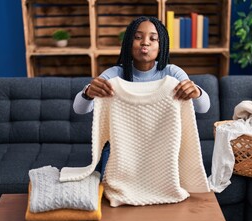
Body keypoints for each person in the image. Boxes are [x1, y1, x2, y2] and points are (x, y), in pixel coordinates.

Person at [73, 16, 211, 176]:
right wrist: (88, 92)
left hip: (162, 147)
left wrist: (196, 92)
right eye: (138, 37)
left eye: (153, 38)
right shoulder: (115, 75)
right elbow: (79, 109)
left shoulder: (172, 73)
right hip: (121, 148)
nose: (145, 42)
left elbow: (203, 108)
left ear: (161, 46)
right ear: (128, 44)